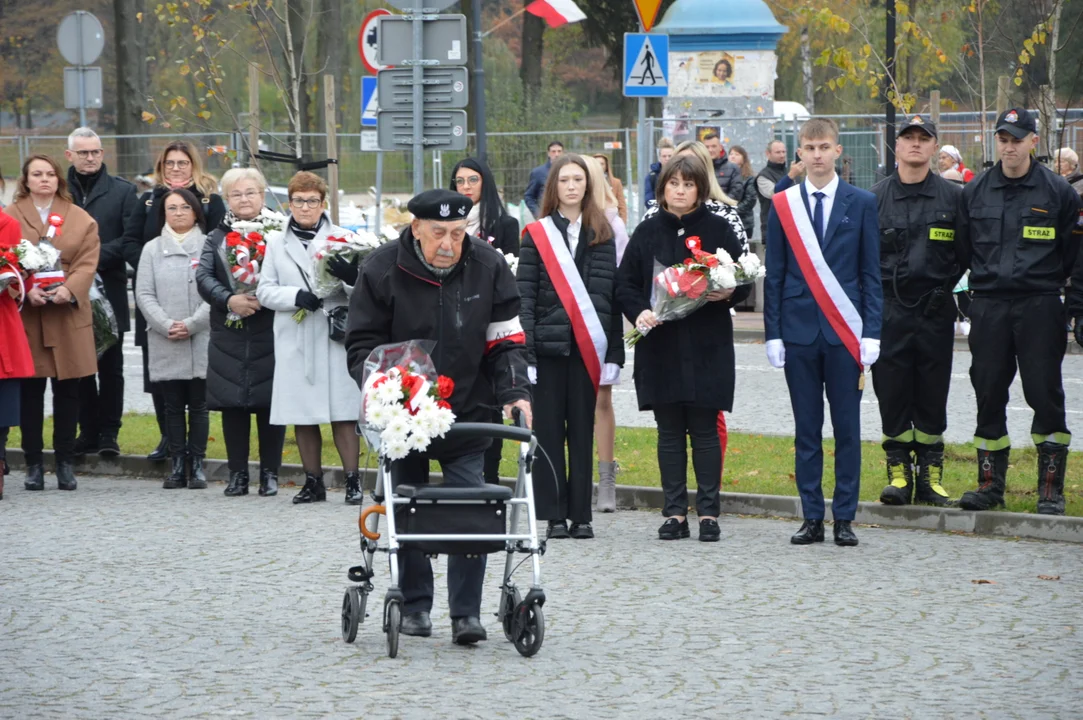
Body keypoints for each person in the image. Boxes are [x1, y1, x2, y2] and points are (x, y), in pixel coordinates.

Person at [345, 188, 532, 646]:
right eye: (437, 234)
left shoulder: (489, 266)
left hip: (469, 409)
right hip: (404, 415)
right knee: (408, 504)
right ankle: (414, 604)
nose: (449, 244)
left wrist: (514, 393)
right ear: (416, 230)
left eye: (457, 232)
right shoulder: (381, 269)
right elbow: (361, 346)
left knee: (472, 507)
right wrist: (389, 392)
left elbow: (506, 341)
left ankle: (466, 613)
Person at [763, 117, 883, 546]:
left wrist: (872, 332)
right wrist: (772, 332)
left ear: (837, 151)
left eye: (824, 147)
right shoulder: (784, 204)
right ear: (799, 154)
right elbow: (774, 274)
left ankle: (845, 517)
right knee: (807, 430)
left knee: (848, 431)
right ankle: (812, 515)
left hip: (844, 334)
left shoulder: (862, 202)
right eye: (809, 147)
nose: (816, 155)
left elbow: (871, 274)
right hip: (798, 332)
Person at [956, 108, 1081, 516]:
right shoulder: (975, 192)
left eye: (1017, 139)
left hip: (1039, 304)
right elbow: (962, 250)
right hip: (989, 305)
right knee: (988, 390)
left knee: (1045, 393)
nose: (1010, 147)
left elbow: (1074, 255)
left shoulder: (1058, 192)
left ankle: (1050, 490)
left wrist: (1074, 305)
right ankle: (990, 486)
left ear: (1033, 141)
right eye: (1003, 139)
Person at [617, 155, 748, 542]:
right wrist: (639, 311)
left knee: (705, 430)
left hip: (708, 342)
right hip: (662, 344)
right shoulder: (647, 231)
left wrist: (730, 291)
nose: (680, 191)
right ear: (663, 189)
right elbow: (624, 282)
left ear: (700, 189)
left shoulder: (719, 228)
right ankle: (674, 511)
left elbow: (743, 275)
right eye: (673, 184)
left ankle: (709, 512)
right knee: (669, 431)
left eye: (688, 184)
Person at [518, 154, 623, 540]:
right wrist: (526, 353)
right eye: (565, 180)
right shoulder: (537, 235)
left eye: (579, 179)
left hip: (586, 352)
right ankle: (554, 515)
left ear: (589, 185)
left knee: (582, 431)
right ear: (554, 187)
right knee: (548, 433)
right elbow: (524, 298)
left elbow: (609, 300)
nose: (572, 186)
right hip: (547, 351)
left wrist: (613, 354)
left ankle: (582, 515)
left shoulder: (603, 234)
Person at [869, 116, 965, 508]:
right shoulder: (873, 199)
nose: (914, 144)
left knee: (931, 390)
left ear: (933, 148)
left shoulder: (954, 197)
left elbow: (965, 253)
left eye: (922, 139)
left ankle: (930, 474)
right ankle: (897, 473)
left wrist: (946, 290)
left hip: (934, 308)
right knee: (891, 390)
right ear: (896, 146)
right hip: (888, 309)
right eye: (907, 138)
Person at [256, 171, 362, 505]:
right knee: (302, 411)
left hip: (333, 332)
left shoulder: (343, 238)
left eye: (312, 201)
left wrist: (351, 278)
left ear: (323, 203)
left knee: (343, 410)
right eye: (299, 201)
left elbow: (365, 290)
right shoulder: (275, 242)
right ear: (289, 203)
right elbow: (265, 291)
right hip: (296, 334)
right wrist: (295, 296)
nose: (305, 207)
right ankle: (312, 481)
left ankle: (353, 480)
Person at [5, 154, 101, 492]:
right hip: (29, 316)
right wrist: (24, 288)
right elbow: (6, 258)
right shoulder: (10, 216)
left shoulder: (80, 218)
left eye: (49, 174)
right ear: (26, 179)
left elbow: (88, 262)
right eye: (36, 174)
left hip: (68, 315)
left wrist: (70, 289)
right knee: (31, 392)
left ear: (59, 179)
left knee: (68, 391)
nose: (43, 179)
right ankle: (33, 463)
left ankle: (64, 463)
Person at [125, 141, 226, 463]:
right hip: (159, 303)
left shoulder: (210, 201)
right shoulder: (148, 201)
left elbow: (223, 250)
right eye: (169, 163)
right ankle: (170, 443)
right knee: (164, 387)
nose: (176, 168)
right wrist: (149, 265)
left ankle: (192, 457)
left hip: (200, 308)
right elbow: (131, 241)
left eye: (182, 163)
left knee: (197, 396)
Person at [196, 167, 284, 498]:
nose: (244, 199)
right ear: (227, 199)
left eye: (250, 192)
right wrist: (230, 299)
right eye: (236, 194)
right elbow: (204, 277)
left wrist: (267, 297)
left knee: (270, 404)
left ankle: (271, 474)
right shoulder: (216, 236)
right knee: (233, 405)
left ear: (262, 195)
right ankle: (238, 475)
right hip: (229, 330)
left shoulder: (279, 232)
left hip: (270, 326)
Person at [63, 128, 140, 460]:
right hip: (67, 294)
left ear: (103, 153)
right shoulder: (58, 192)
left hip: (109, 291)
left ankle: (109, 433)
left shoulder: (123, 192)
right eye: (83, 153)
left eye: (95, 152)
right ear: (70, 155)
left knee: (111, 367)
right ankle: (87, 431)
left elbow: (129, 240)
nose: (90, 158)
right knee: (78, 366)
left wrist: (89, 260)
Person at [449, 157, 521, 484]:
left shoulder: (504, 224)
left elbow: (512, 270)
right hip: (452, 320)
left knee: (490, 399)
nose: (465, 188)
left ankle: (489, 476)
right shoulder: (446, 223)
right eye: (460, 182)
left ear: (485, 184)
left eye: (472, 181)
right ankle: (459, 473)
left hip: (489, 320)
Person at [135, 188, 211, 490]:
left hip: (201, 336)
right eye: (171, 208)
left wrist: (192, 324)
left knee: (200, 405)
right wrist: (166, 324)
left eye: (184, 207)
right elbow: (143, 293)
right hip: (164, 337)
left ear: (195, 211)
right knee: (173, 406)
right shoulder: (151, 249)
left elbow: (217, 292)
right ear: (162, 213)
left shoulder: (209, 245)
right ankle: (178, 465)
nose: (178, 213)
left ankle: (198, 465)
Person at [583, 155, 630, 513]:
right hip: (563, 322)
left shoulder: (613, 225)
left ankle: (606, 480)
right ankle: (577, 479)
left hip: (601, 320)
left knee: (601, 400)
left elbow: (622, 278)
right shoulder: (547, 226)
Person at [0, 212, 36, 499]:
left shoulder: (8, 224)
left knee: (2, 399)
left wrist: (17, 276)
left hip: (2, 321)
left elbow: (20, 279)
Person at [755, 140, 789, 240]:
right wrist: (790, 177)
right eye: (778, 152)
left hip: (790, 226)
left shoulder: (788, 172)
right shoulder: (763, 176)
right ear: (768, 154)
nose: (782, 155)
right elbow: (773, 193)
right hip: (772, 228)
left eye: (784, 152)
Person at [523, 141, 564, 218]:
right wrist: (538, 214)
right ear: (548, 153)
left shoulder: (569, 171)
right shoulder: (538, 173)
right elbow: (529, 196)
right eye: (553, 151)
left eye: (559, 151)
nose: (556, 154)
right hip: (547, 215)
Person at [727, 145, 757, 240]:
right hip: (726, 220)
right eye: (731, 154)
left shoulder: (749, 178)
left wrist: (733, 212)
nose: (733, 156)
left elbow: (750, 200)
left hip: (744, 222)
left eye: (737, 154)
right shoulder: (724, 176)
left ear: (743, 158)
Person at [591, 153, 628, 225]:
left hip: (612, 221)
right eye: (596, 163)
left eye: (602, 164)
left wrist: (622, 222)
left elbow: (621, 205)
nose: (599, 166)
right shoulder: (587, 181)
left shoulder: (615, 182)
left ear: (606, 166)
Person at [702, 132, 741, 197]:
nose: (710, 150)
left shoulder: (733, 168)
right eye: (707, 147)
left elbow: (736, 192)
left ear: (720, 147)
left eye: (714, 146)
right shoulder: (698, 167)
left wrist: (720, 205)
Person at [644, 137, 675, 209]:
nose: (667, 158)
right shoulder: (652, 177)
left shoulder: (681, 174)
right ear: (659, 157)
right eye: (664, 156)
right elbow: (648, 200)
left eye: (670, 156)